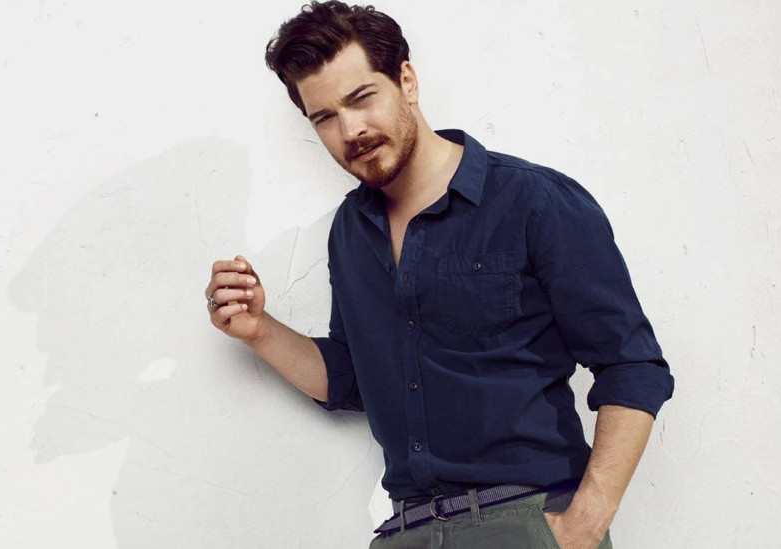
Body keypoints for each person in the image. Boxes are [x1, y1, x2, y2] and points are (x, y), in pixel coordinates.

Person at [205, 2, 675, 547]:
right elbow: (355, 379)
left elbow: (631, 363)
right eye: (325, 117)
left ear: (406, 81)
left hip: (527, 520)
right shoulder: (350, 232)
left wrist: (582, 526)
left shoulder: (533, 202)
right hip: (406, 529)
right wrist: (258, 330)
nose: (350, 129)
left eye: (361, 98)